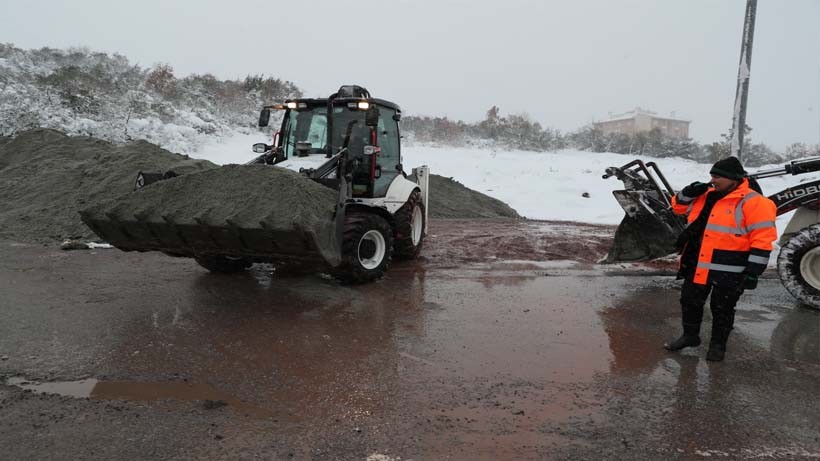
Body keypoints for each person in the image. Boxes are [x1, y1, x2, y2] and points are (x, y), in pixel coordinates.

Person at [664, 156, 777, 361]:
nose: (713, 180)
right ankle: (690, 336)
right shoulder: (706, 194)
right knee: (689, 301)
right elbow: (678, 207)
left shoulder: (756, 203)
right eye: (712, 176)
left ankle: (718, 346)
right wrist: (688, 193)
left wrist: (753, 272)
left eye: (718, 177)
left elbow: (763, 239)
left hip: (731, 267)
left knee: (722, 308)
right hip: (697, 261)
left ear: (734, 178)